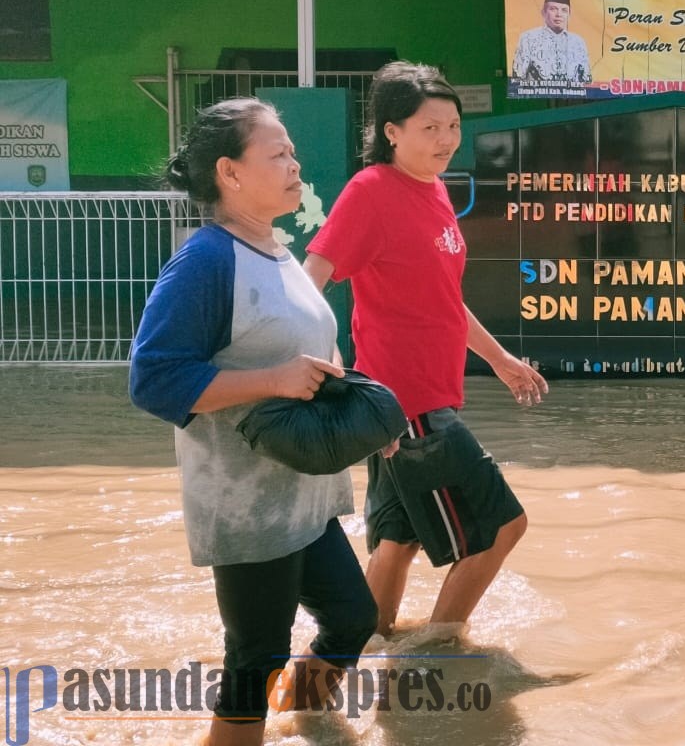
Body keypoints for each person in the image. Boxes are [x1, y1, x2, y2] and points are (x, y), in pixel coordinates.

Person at [129, 98, 378, 746]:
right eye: (277, 154)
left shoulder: (276, 248)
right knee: (256, 657)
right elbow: (153, 379)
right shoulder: (206, 261)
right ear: (230, 173)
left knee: (354, 617)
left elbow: (305, 350)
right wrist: (273, 380)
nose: (295, 164)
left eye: (292, 152)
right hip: (246, 507)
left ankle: (307, 724)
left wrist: (358, 403)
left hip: (305, 494)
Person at [303, 62, 548, 638]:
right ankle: (440, 651)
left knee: (398, 542)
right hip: (407, 404)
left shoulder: (433, 191)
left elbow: (442, 299)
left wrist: (499, 360)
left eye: (453, 126)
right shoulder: (370, 192)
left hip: (421, 399)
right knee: (502, 529)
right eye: (429, 128)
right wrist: (321, 359)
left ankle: (360, 650)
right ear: (392, 131)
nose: (446, 139)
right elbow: (311, 275)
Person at [511, 0, 592, 84]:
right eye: (553, 9)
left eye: (564, 10)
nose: (559, 14)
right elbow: (517, 77)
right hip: (538, 96)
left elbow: (587, 80)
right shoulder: (528, 38)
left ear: (569, 15)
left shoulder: (578, 42)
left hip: (571, 97)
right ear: (544, 12)